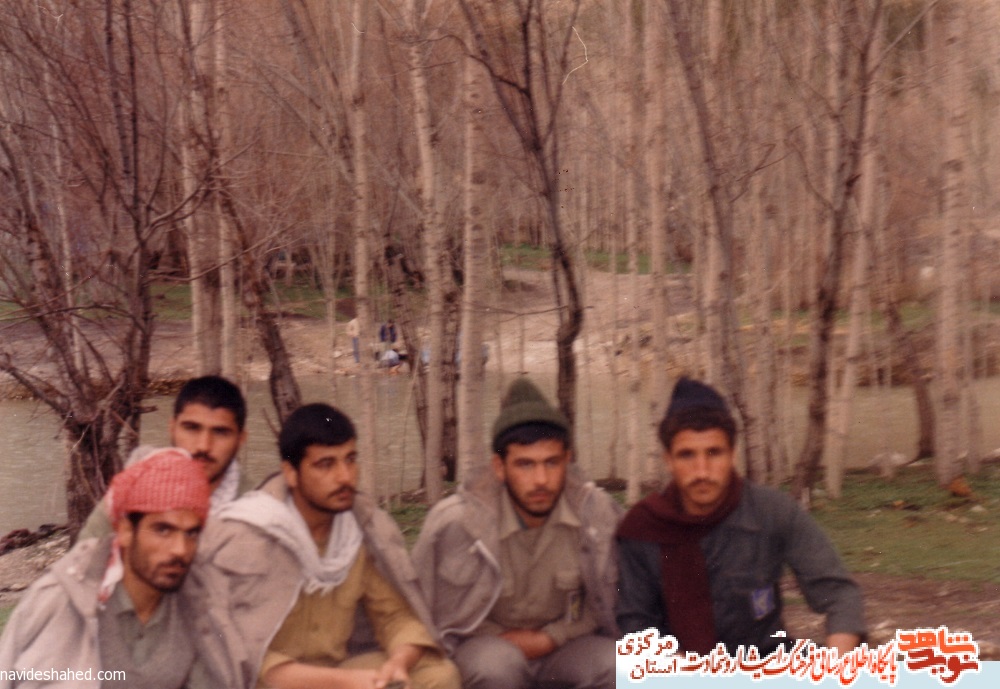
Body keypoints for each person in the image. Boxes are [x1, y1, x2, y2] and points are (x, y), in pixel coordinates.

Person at [192, 403, 460, 689]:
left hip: (338, 673)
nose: (345, 476)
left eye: (350, 459)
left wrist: (399, 662)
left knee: (438, 675)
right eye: (326, 464)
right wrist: (343, 682)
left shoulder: (356, 533)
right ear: (291, 473)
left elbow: (394, 616)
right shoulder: (245, 534)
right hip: (269, 682)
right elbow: (236, 652)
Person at [616, 377, 866, 657]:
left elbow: (840, 595)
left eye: (714, 453)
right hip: (679, 669)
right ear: (668, 460)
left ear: (733, 455)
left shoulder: (772, 511)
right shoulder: (642, 527)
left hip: (767, 660)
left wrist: (835, 670)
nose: (702, 471)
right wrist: (689, 672)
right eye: (687, 455)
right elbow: (635, 627)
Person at [413, 378, 620, 689]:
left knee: (617, 666)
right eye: (525, 465)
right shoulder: (456, 523)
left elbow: (606, 602)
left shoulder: (597, 515)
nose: (541, 480)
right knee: (497, 667)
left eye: (552, 463)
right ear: (499, 467)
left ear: (567, 460)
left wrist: (552, 637)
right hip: (484, 649)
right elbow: (426, 612)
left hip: (565, 646)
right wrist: (501, 639)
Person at [0, 449, 232, 689]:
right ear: (125, 531)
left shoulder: (205, 605)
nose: (180, 550)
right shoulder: (57, 601)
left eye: (191, 533)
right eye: (163, 530)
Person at [78, 375, 252, 540]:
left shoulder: (255, 513)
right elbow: (86, 550)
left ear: (241, 438)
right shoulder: (136, 479)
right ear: (172, 428)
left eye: (220, 432)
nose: (203, 446)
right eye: (192, 428)